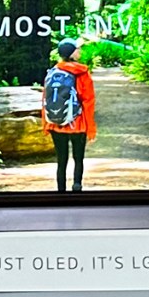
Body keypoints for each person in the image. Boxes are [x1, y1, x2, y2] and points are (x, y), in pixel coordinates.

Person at [40, 40, 96, 193]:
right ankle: (77, 188)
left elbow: (45, 99)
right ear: (71, 52)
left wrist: (46, 124)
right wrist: (91, 129)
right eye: (77, 49)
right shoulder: (82, 73)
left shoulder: (52, 72)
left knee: (61, 161)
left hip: (56, 124)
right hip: (77, 124)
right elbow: (88, 102)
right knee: (78, 159)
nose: (80, 51)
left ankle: (61, 192)